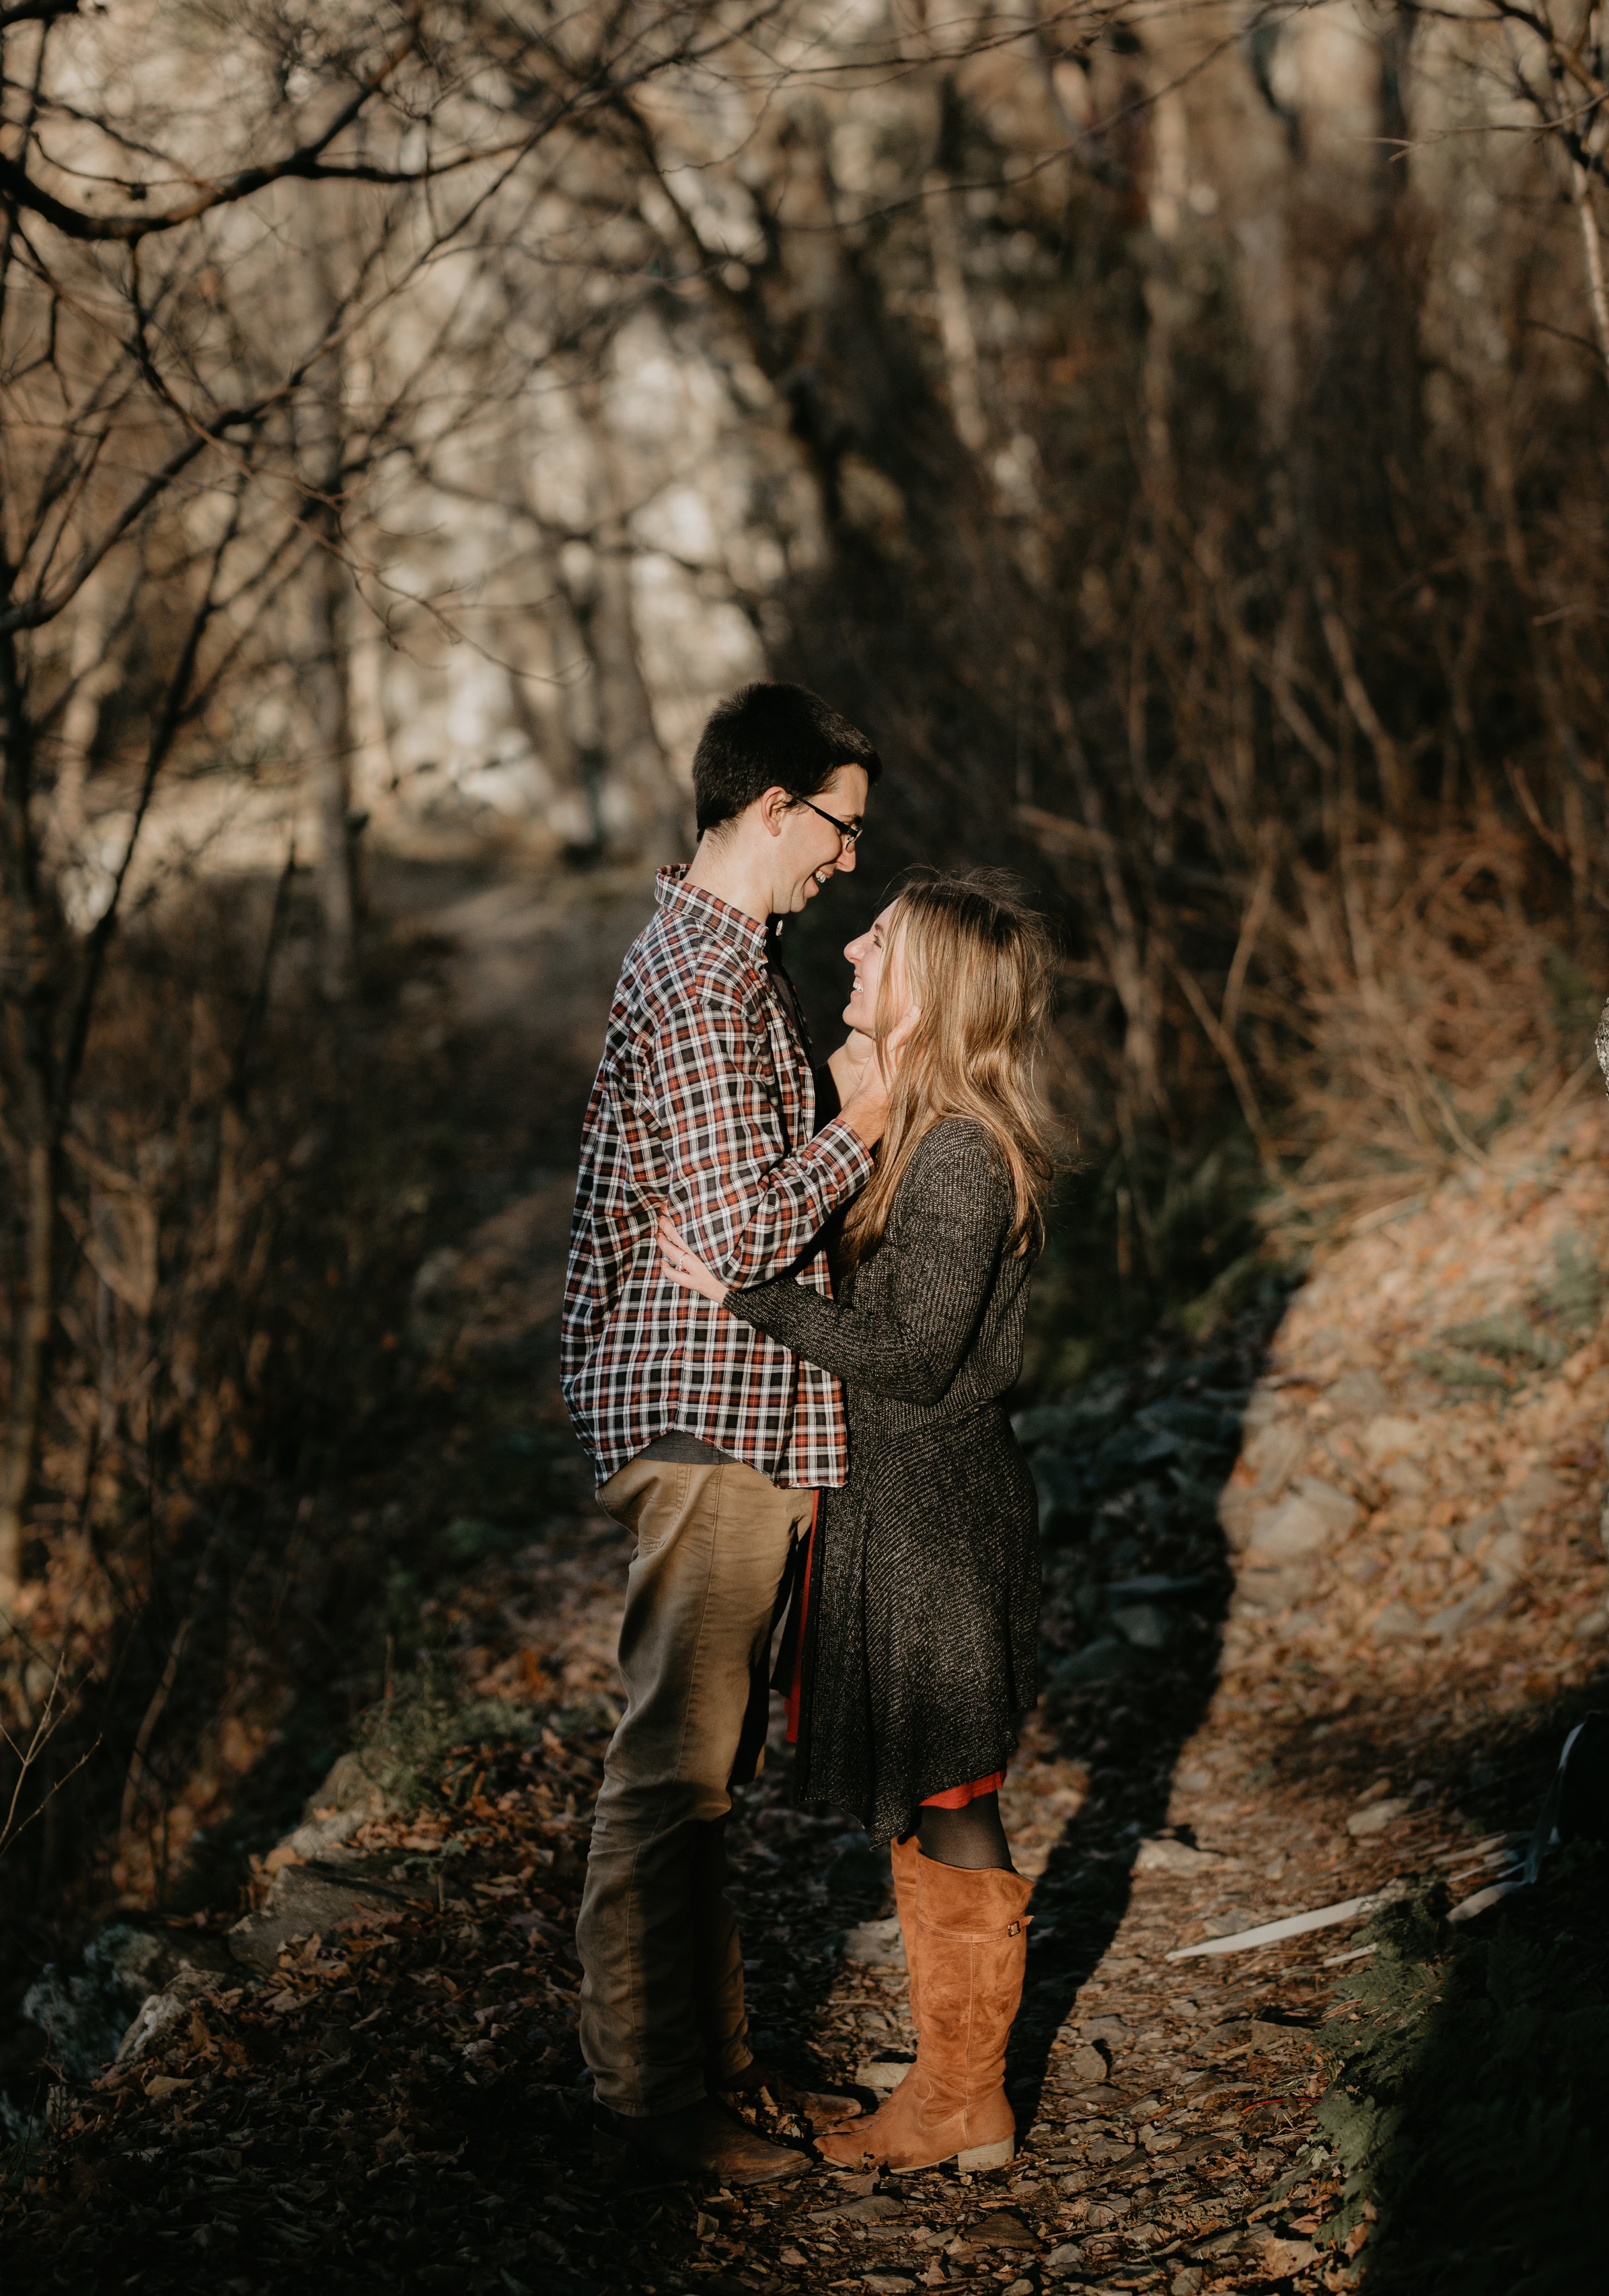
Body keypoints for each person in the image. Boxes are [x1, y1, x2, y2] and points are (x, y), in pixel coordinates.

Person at [657, 871, 1056, 2176]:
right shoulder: (923, 1134)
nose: (849, 945)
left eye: (877, 940)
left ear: (928, 985)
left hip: (937, 1522)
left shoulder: (956, 1154)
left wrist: (744, 1288)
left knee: (949, 1791)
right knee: (931, 1791)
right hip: (907, 1512)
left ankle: (960, 2101)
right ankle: (957, 2083)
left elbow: (909, 1358)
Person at [562, 680, 893, 2185]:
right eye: (839, 826)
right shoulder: (700, 980)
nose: (847, 860)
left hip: (737, 1412)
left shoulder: (727, 965)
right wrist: (859, 1120)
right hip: (705, 1415)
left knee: (703, 1780)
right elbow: (744, 1228)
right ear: (774, 806)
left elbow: (739, 1225)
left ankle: (711, 2071)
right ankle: (649, 2110)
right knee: (668, 1772)